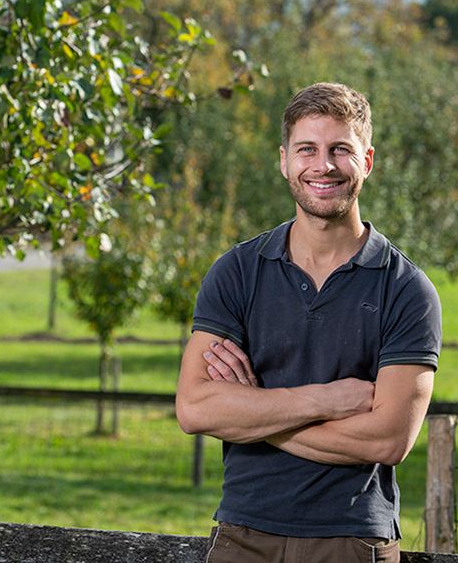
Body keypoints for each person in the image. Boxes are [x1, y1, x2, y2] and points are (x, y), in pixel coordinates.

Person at [176, 82, 442, 563]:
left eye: (340, 149)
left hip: (353, 540)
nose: (323, 165)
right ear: (284, 160)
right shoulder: (237, 272)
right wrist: (327, 399)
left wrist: (252, 414)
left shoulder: (406, 290)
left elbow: (388, 438)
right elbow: (195, 409)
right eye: (307, 150)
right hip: (243, 534)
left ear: (367, 161)